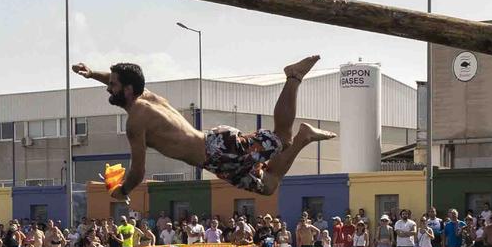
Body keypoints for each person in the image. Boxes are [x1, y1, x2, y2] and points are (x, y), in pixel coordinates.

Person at [77, 56, 335, 196]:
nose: (108, 89)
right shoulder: (148, 97)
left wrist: (123, 190)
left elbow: (138, 170)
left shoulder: (136, 121)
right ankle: (305, 137)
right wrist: (91, 74)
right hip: (216, 158)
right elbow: (120, 80)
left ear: (128, 89)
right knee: (267, 186)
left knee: (281, 137)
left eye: (112, 85)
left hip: (217, 151)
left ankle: (293, 77)